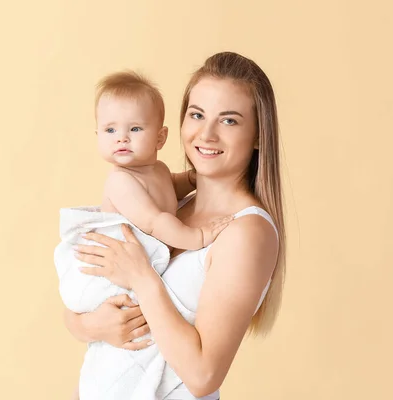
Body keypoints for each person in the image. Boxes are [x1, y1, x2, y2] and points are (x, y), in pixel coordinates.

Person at [66, 51, 286, 399]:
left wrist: (141, 276)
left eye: (229, 121)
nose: (207, 133)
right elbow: (82, 304)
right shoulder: (170, 202)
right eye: (197, 115)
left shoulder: (247, 233)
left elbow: (203, 376)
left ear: (259, 136)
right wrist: (93, 325)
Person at [54, 71, 233, 400]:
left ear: (160, 138)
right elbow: (154, 221)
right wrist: (197, 237)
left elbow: (173, 184)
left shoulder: (158, 170)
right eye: (110, 130)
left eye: (134, 129)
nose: (121, 138)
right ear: (97, 135)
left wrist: (194, 178)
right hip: (114, 268)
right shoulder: (120, 182)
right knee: (123, 316)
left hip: (135, 269)